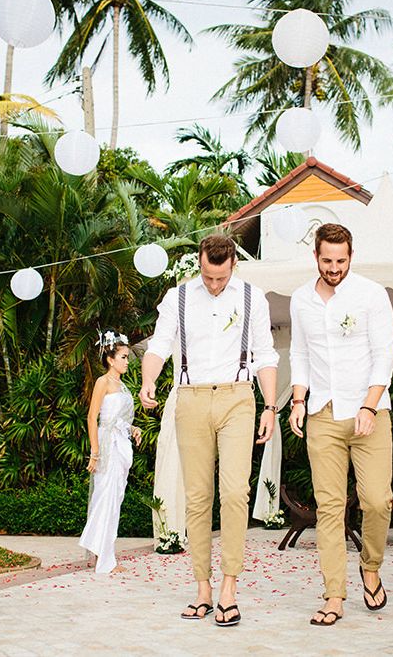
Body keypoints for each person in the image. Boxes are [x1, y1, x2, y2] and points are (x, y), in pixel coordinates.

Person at [140, 233, 278, 627]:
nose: (213, 284)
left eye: (220, 277)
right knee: (198, 498)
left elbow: (266, 354)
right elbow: (159, 345)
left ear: (233, 264)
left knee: (235, 493)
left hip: (238, 397)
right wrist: (148, 381)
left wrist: (270, 406)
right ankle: (202, 588)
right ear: (199, 263)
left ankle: (229, 589)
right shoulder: (178, 297)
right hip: (191, 397)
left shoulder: (253, 297)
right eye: (207, 276)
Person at [288, 223, 393, 627]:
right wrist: (298, 400)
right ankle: (334, 594)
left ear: (352, 256)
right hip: (321, 413)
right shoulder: (301, 299)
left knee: (376, 501)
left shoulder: (371, 294)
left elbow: (384, 355)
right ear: (315, 257)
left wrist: (368, 407)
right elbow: (299, 353)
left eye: (341, 260)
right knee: (329, 509)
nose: (334, 268)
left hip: (369, 412)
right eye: (327, 260)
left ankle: (371, 565)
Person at [80, 330, 142, 574]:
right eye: (124, 357)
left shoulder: (122, 386)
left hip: (120, 445)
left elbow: (120, 419)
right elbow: (92, 417)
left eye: (127, 357)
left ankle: (103, 552)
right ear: (110, 359)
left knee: (114, 499)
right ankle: (105, 559)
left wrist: (133, 428)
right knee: (104, 498)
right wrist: (95, 452)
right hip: (107, 446)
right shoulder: (102, 382)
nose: (127, 361)